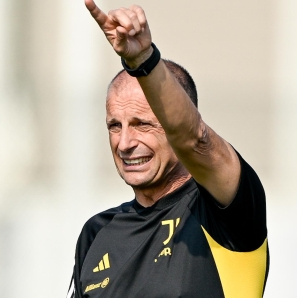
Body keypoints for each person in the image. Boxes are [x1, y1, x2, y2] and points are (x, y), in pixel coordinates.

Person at [66, 1, 269, 297]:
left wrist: (144, 60)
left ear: (174, 126)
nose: (124, 143)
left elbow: (195, 138)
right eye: (114, 126)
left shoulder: (227, 211)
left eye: (142, 124)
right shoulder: (98, 232)